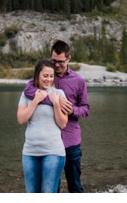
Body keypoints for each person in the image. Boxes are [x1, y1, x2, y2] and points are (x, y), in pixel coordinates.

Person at [23, 40, 90, 192]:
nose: (57, 65)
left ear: (69, 58)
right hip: (49, 144)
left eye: (60, 62)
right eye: (54, 61)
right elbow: (28, 89)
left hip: (70, 142)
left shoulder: (78, 80)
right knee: (52, 188)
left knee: (75, 186)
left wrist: (72, 109)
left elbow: (85, 109)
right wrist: (56, 101)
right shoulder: (46, 76)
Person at [17, 59, 68, 193]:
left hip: (53, 151)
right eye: (45, 76)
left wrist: (56, 104)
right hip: (30, 152)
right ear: (37, 75)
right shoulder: (27, 94)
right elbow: (21, 119)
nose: (48, 79)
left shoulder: (59, 94)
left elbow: (63, 124)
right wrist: (35, 101)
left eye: (51, 76)